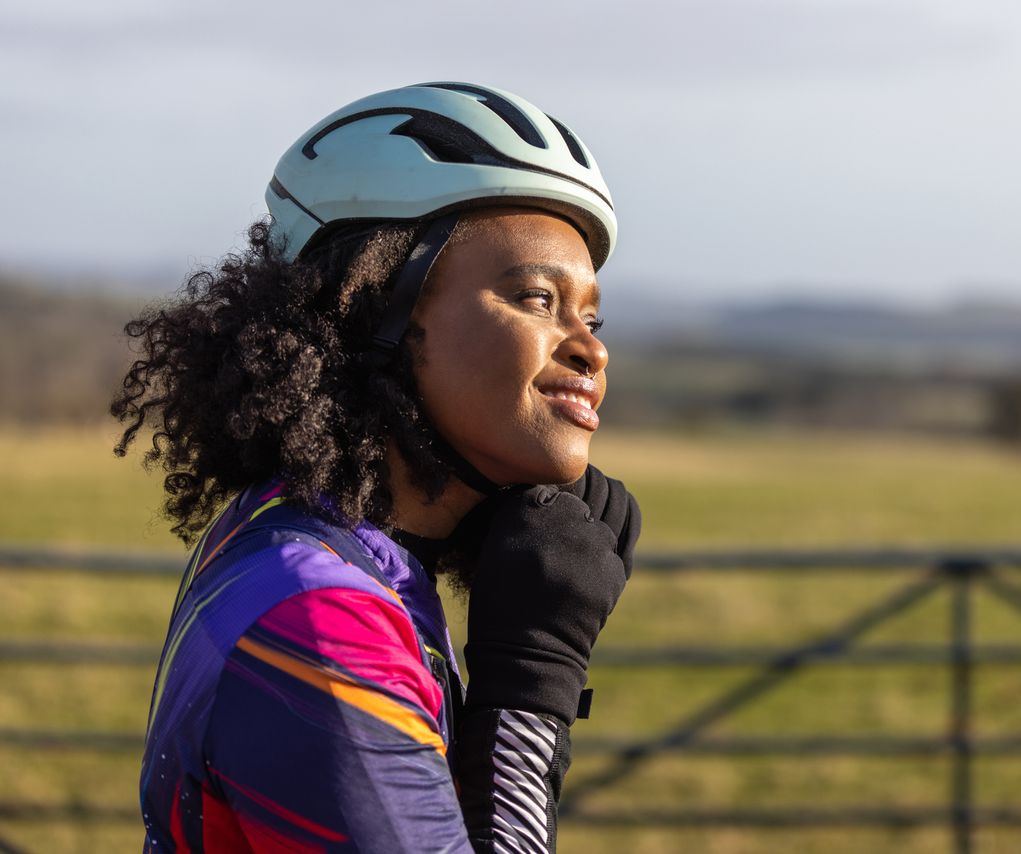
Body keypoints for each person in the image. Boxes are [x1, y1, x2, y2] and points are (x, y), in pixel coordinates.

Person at [113, 82, 641, 853]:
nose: (590, 349)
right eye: (535, 297)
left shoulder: (329, 543)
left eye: (590, 316)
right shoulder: (322, 618)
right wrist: (533, 682)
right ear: (372, 313)